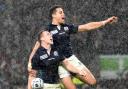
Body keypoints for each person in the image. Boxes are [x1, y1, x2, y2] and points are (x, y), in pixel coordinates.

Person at [28, 5, 118, 89]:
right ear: (53, 15)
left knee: (93, 82)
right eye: (60, 12)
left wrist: (104, 22)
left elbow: (86, 27)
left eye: (63, 12)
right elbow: (37, 47)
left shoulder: (66, 27)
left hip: (71, 59)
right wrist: (30, 62)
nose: (64, 14)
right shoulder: (48, 30)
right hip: (59, 63)